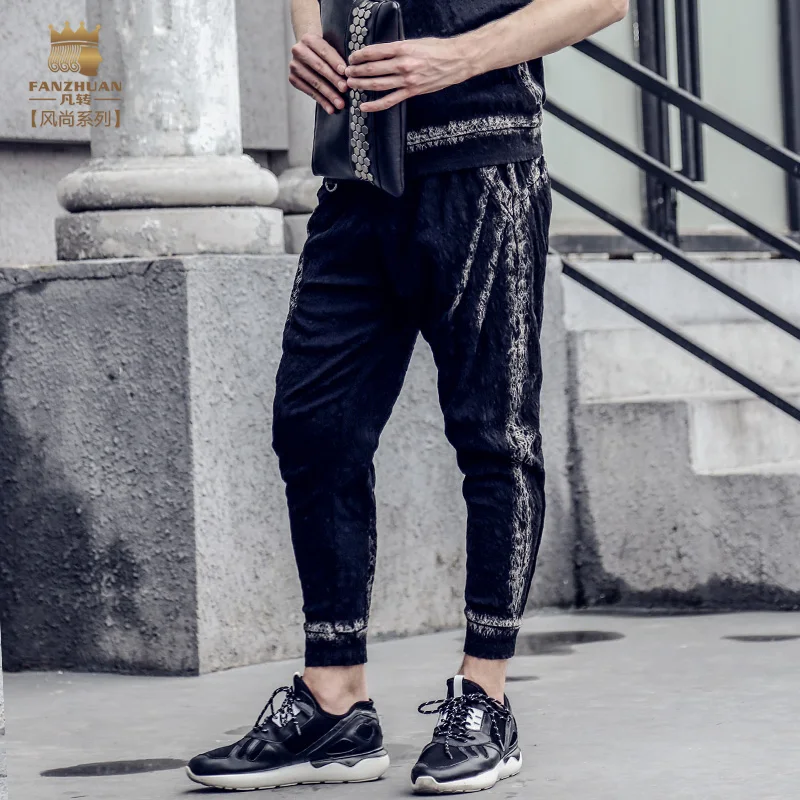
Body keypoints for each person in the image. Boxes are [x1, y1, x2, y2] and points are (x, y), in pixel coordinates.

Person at [187, 0, 628, 793]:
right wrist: (308, 34)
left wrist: (461, 56)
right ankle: (335, 702)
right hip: (357, 172)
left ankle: (485, 696)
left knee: (495, 438)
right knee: (313, 428)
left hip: (482, 165)